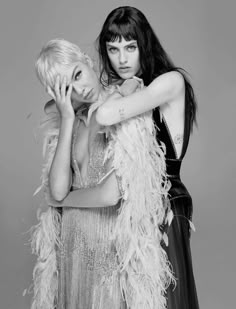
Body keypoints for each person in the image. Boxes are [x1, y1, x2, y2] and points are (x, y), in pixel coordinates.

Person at [31, 38, 175, 309]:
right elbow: (58, 188)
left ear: (86, 60)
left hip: (109, 250)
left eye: (77, 74)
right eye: (66, 89)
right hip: (72, 250)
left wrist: (63, 201)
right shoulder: (70, 125)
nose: (80, 88)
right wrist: (67, 119)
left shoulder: (123, 105)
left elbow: (111, 194)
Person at [95, 6, 199, 309]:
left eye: (130, 46)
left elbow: (104, 115)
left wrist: (122, 90)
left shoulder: (169, 83)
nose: (122, 59)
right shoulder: (132, 91)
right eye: (113, 49)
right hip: (133, 206)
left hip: (166, 202)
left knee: (166, 299)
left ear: (145, 44)